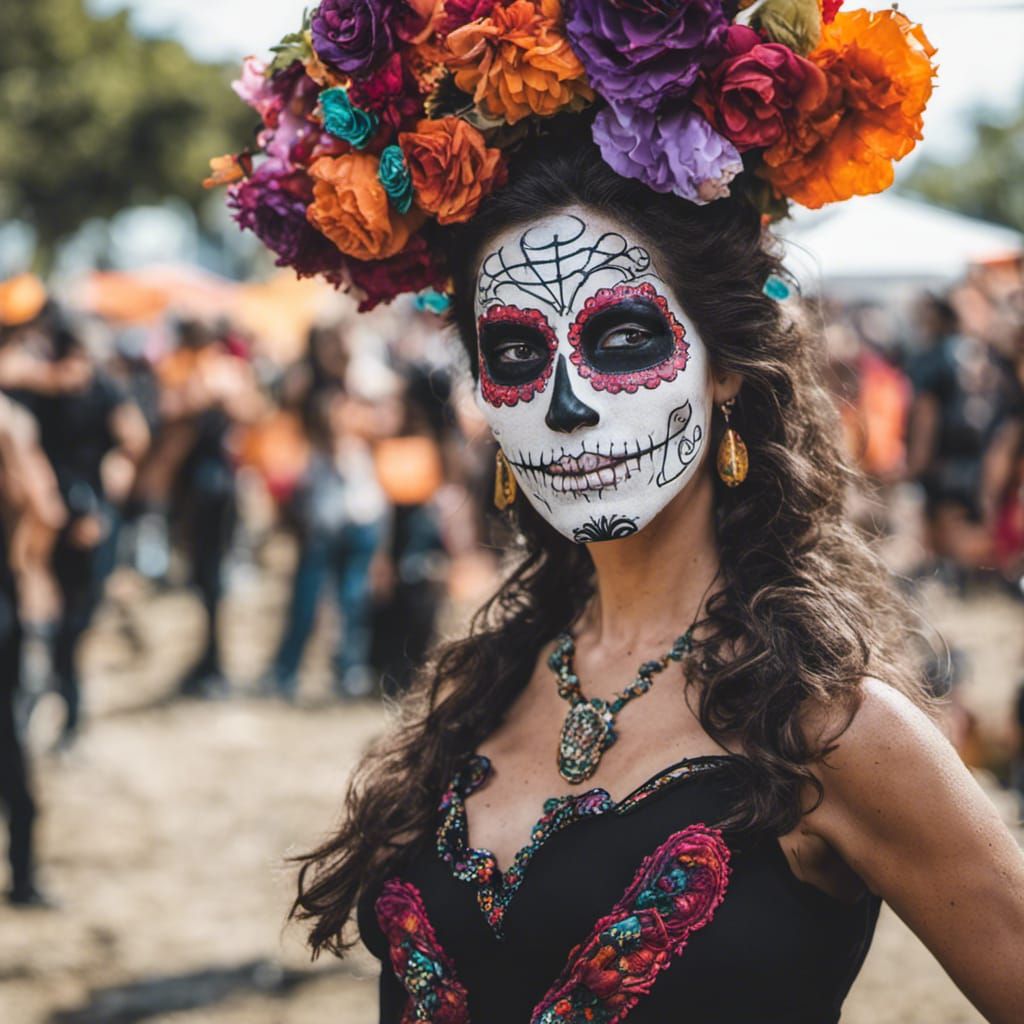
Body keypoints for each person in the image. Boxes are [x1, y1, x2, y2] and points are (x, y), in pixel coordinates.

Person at [222, 4, 1024, 1021]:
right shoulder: (482, 685)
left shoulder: (836, 731)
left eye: (624, 338)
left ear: (724, 368)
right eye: (514, 354)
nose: (566, 402)